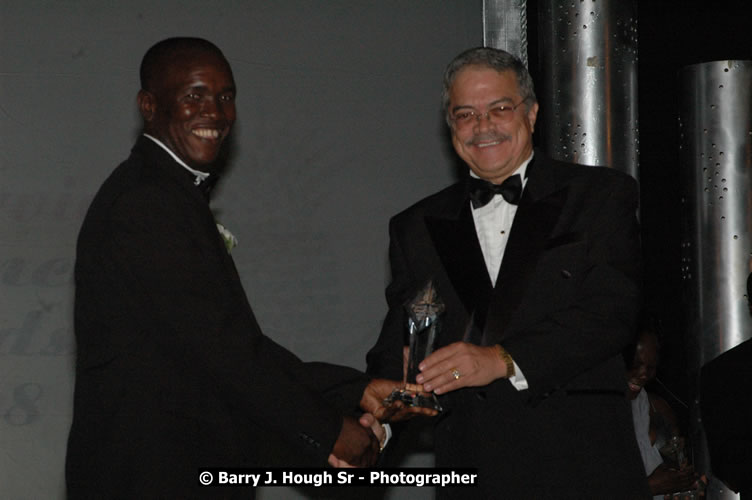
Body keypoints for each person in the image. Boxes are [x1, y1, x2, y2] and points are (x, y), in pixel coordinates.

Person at [66, 37, 400, 499]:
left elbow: (226, 348)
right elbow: (223, 353)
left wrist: (353, 391)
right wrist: (330, 429)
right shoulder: (146, 203)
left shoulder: (168, 195)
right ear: (148, 105)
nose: (216, 113)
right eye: (194, 95)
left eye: (225, 97)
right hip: (149, 478)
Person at [366, 46, 649, 498]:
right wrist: (374, 421)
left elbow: (610, 314)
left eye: (500, 108)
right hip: (474, 467)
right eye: (465, 114)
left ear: (532, 113)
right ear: (450, 126)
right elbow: (401, 342)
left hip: (583, 468)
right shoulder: (415, 226)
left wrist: (500, 358)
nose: (483, 126)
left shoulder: (600, 196)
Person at [626, 322, 704, 498]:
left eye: (651, 367)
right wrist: (649, 487)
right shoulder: (596, 412)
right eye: (636, 364)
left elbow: (674, 469)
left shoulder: (656, 407)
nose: (643, 373)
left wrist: (684, 484)